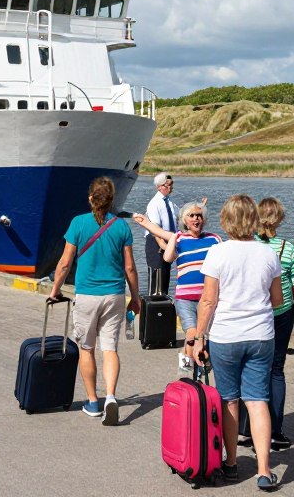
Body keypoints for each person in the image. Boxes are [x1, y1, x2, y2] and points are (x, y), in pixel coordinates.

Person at [189, 194, 284, 491]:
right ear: (253, 220)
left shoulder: (218, 253)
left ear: (226, 220)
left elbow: (208, 300)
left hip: (226, 336)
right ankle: (264, 470)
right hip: (260, 335)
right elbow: (278, 300)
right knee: (258, 401)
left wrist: (198, 337)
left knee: (229, 400)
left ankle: (231, 463)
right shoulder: (269, 253)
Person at [47, 176, 141, 426]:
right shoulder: (121, 226)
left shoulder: (78, 223)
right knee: (110, 348)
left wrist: (54, 290)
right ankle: (111, 396)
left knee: (86, 348)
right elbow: (130, 268)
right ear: (111, 200)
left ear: (90, 198)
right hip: (115, 295)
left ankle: (92, 402)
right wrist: (136, 298)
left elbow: (65, 262)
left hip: (87, 295)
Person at [132, 201, 222, 347]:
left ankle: (199, 367)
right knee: (192, 336)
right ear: (184, 221)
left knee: (206, 338)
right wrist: (145, 222)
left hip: (208, 299)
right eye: (191, 215)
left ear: (204, 219)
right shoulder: (179, 238)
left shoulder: (214, 239)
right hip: (185, 300)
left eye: (199, 215)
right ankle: (186, 368)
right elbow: (167, 257)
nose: (195, 218)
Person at [256, 197, 294, 451]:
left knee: (252, 369)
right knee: (276, 369)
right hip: (281, 312)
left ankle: (249, 427)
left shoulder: (248, 245)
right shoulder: (287, 249)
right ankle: (274, 430)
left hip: (253, 313)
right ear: (280, 219)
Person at [144, 172, 178, 295]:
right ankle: (153, 308)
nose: (170, 187)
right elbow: (154, 228)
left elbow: (179, 217)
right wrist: (162, 245)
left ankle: (163, 307)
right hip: (156, 242)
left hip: (168, 242)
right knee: (157, 278)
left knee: (165, 277)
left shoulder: (169, 202)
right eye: (167, 185)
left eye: (172, 184)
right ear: (159, 186)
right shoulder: (155, 203)